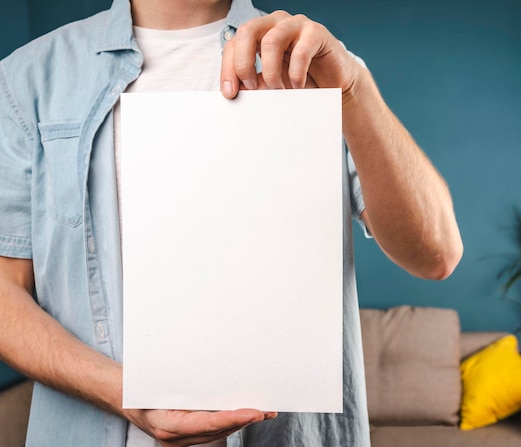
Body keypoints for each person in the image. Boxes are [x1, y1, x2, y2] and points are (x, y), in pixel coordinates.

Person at [0, 0, 463, 445]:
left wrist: (353, 91)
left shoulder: (317, 61)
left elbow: (437, 253)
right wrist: (128, 394)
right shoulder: (29, 79)